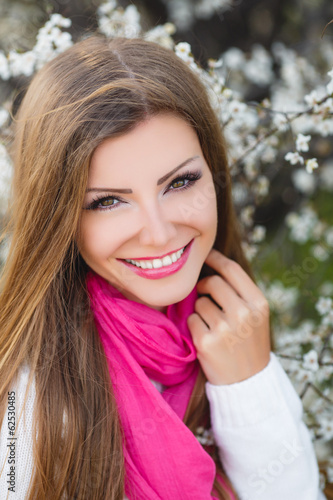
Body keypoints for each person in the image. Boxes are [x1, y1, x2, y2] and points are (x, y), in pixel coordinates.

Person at [0, 35, 326, 500]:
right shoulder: (24, 398)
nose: (157, 233)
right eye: (108, 201)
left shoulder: (235, 329)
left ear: (213, 175)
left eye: (181, 181)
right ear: (60, 220)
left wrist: (250, 387)